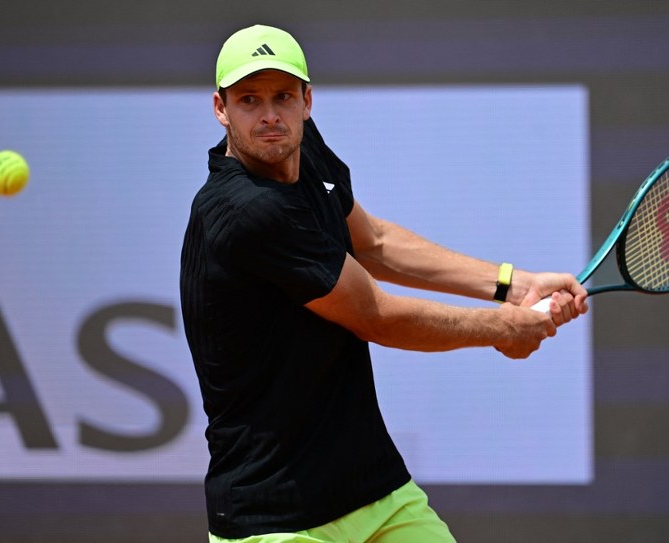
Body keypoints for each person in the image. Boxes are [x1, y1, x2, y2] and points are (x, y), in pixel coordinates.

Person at [180, 24, 588, 543]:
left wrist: (513, 284)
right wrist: (502, 328)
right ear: (220, 109)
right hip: (274, 519)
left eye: (283, 97)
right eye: (248, 100)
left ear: (307, 101)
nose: (268, 116)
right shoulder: (245, 211)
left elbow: (371, 241)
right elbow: (374, 314)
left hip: (375, 491)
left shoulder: (302, 152)